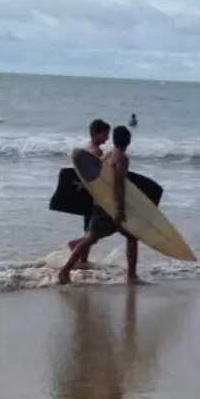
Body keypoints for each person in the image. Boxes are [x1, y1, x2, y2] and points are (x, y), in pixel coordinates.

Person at [59, 125, 142, 285]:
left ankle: (68, 266)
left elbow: (97, 179)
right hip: (110, 205)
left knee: (122, 236)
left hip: (101, 202)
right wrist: (120, 208)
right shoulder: (122, 159)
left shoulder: (108, 155)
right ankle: (65, 270)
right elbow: (119, 184)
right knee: (97, 238)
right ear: (128, 141)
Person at [66, 119, 112, 251]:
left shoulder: (86, 149)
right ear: (97, 134)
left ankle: (83, 260)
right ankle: (74, 245)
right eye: (105, 134)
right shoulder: (96, 152)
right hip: (94, 197)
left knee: (88, 230)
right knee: (93, 234)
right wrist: (108, 157)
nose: (107, 138)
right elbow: (98, 174)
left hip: (86, 194)